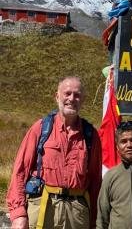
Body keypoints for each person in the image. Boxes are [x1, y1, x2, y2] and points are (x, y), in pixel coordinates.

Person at [6, 76, 102, 229]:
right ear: (57, 96)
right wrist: (18, 214)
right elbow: (20, 172)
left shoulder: (91, 135)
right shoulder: (41, 128)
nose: (72, 98)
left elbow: (95, 181)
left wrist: (96, 221)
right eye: (67, 93)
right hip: (43, 208)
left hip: (77, 213)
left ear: (82, 100)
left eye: (77, 95)